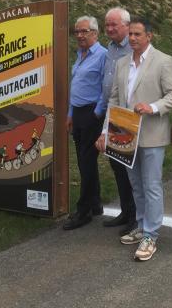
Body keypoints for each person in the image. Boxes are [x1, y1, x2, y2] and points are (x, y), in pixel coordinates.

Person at [96, 18, 172, 261]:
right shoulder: (122, 63)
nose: (132, 38)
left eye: (137, 34)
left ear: (149, 36)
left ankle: (151, 236)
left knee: (152, 185)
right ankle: (142, 226)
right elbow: (113, 100)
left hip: (152, 134)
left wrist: (153, 107)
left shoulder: (164, 61)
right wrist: (105, 131)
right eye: (130, 34)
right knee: (136, 184)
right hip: (125, 135)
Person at [63, 15, 107, 231]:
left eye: (84, 31)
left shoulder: (102, 56)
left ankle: (84, 211)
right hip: (78, 113)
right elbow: (76, 85)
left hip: (91, 114)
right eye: (77, 31)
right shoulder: (80, 55)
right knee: (83, 161)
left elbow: (106, 89)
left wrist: (97, 113)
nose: (79, 35)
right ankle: (95, 203)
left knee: (87, 161)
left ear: (95, 33)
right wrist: (70, 112)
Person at [100, 7, 136, 235]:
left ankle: (135, 216)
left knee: (130, 169)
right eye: (107, 25)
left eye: (114, 25)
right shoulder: (110, 49)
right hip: (110, 113)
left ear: (126, 25)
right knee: (116, 165)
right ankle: (125, 211)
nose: (110, 29)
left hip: (127, 116)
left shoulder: (133, 47)